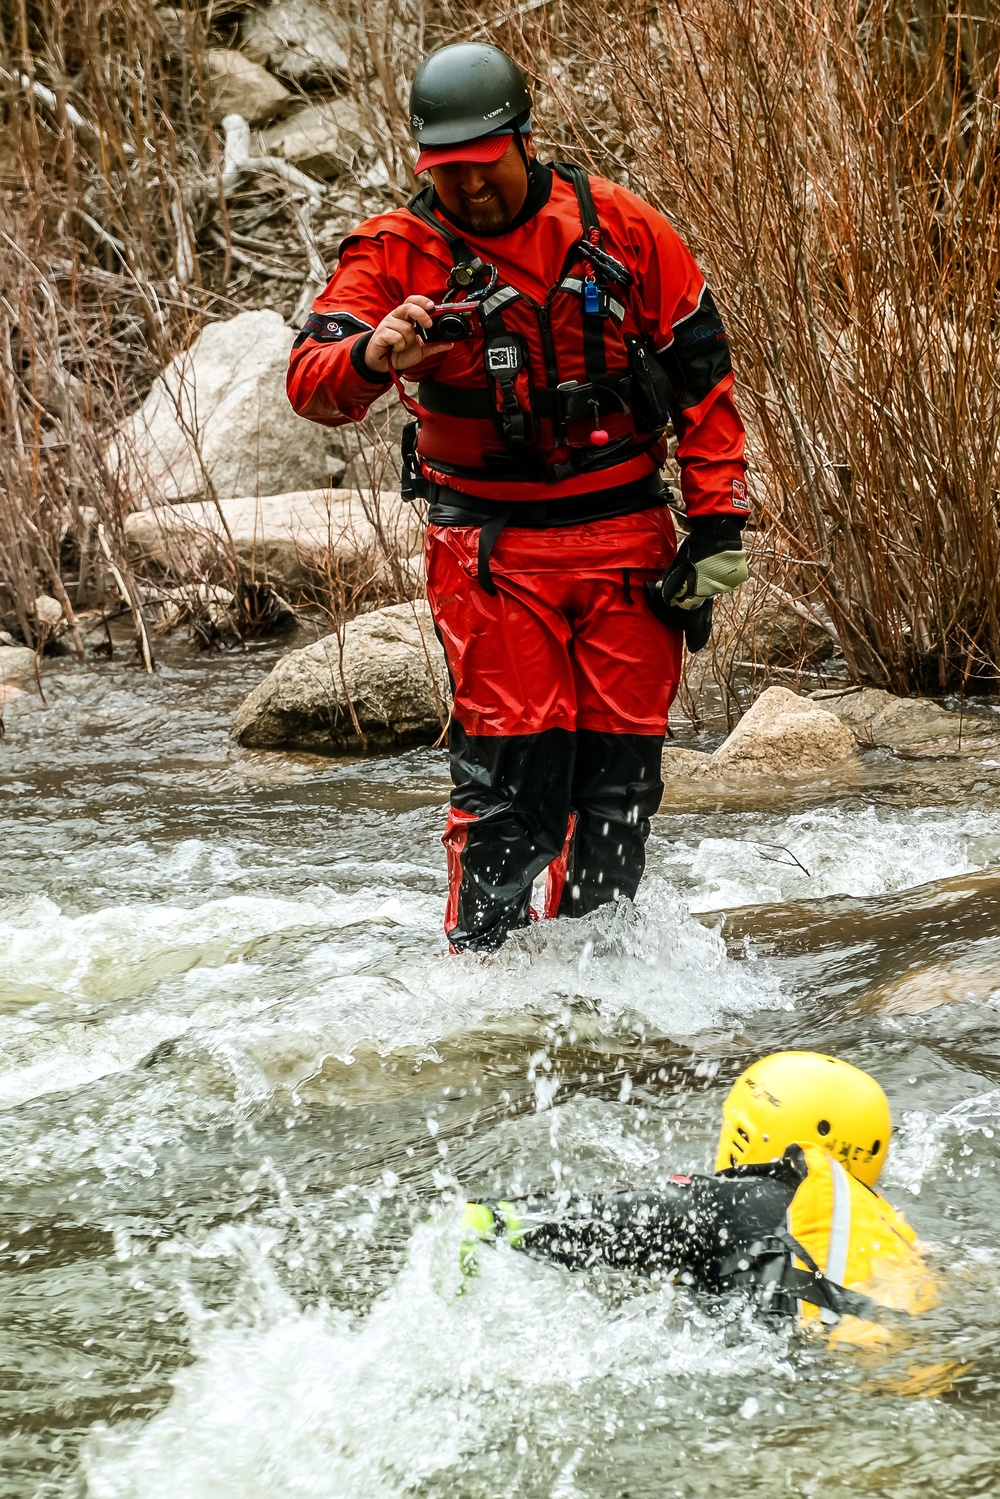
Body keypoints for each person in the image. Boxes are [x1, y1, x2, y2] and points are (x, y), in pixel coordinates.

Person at [287, 43, 750, 952]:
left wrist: (718, 529)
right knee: (512, 796)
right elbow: (310, 380)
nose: (466, 185)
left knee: (618, 795)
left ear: (522, 139)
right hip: (493, 559)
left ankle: (601, 991)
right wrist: (373, 356)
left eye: (481, 162)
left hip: (629, 547)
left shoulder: (620, 227)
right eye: (445, 170)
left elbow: (704, 380)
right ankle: (487, 1000)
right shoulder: (395, 253)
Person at [460, 1052, 938, 1340]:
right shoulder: (893, 1232)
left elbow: (600, 1222)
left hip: (806, 1387)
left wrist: (486, 1220)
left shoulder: (737, 1202)